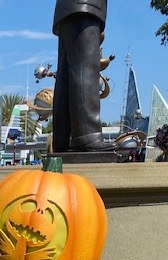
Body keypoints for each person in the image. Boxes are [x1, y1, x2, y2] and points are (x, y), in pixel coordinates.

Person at [52, 0, 109, 152]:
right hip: (85, 5)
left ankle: (62, 138)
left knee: (66, 75)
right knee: (86, 68)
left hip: (69, 8)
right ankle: (87, 135)